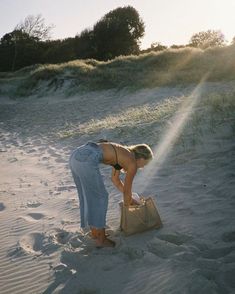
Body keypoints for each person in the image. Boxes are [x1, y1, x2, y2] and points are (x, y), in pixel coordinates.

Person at [69, 141, 153, 248]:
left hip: (75, 155)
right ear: (141, 159)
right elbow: (127, 191)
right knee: (101, 197)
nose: (143, 167)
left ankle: (95, 233)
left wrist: (129, 197)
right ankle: (102, 239)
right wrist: (131, 204)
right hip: (86, 159)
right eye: (145, 164)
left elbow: (115, 180)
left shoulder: (122, 154)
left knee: (87, 195)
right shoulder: (132, 163)